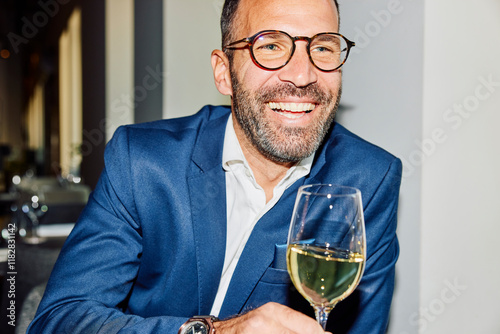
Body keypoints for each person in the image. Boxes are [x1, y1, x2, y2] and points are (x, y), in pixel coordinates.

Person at [28, 0, 402, 333]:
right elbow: (60, 319)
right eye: (270, 46)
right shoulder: (143, 161)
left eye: (322, 47)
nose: (303, 76)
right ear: (224, 72)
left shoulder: (369, 179)